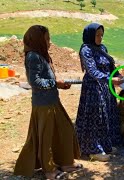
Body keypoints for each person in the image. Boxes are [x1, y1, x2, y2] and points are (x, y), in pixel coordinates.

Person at [14, 25, 81, 179]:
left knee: (65, 129)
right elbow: (34, 81)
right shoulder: (33, 57)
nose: (50, 42)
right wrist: (55, 83)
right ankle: (49, 170)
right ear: (38, 40)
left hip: (52, 101)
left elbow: (47, 79)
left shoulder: (41, 55)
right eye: (47, 39)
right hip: (43, 104)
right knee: (47, 137)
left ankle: (65, 162)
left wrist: (59, 85)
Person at [75, 23, 123, 162]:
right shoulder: (86, 50)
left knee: (106, 116)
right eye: (97, 35)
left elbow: (110, 66)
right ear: (90, 35)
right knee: (95, 118)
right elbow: (92, 71)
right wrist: (110, 79)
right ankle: (93, 150)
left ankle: (105, 145)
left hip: (106, 88)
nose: (100, 38)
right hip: (93, 89)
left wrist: (119, 75)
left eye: (102, 35)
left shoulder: (102, 48)